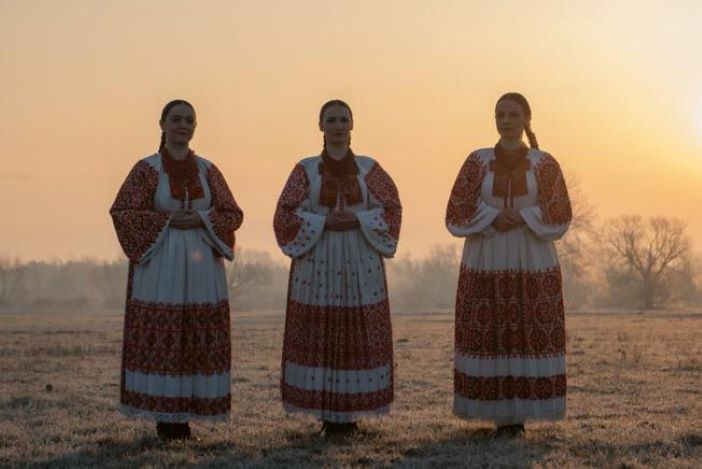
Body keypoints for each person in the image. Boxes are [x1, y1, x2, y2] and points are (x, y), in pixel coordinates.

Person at [110, 99, 243, 440]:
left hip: (202, 264)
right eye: (176, 119)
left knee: (196, 334)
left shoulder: (209, 170)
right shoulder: (147, 169)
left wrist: (201, 217)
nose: (183, 125)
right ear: (162, 124)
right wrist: (166, 220)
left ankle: (188, 414)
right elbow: (123, 211)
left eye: (189, 120)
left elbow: (232, 213)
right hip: (161, 262)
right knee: (165, 332)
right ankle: (165, 418)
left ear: (195, 126)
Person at [445, 92, 571, 437]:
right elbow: (456, 210)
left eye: (513, 113)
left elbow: (561, 212)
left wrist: (524, 215)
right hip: (487, 256)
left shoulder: (545, 163)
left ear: (526, 118)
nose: (505, 119)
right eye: (500, 113)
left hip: (532, 257)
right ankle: (497, 414)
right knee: (493, 329)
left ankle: (522, 414)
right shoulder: (476, 161)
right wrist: (491, 217)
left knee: (528, 328)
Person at [273, 99, 402, 436]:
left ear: (352, 124)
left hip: (360, 259)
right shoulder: (304, 168)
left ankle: (351, 415)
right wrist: (323, 222)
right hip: (317, 260)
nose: (338, 126)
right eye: (331, 120)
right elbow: (285, 214)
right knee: (321, 331)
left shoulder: (369, 167)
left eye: (343, 119)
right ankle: (327, 415)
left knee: (356, 329)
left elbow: (391, 207)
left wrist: (359, 219)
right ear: (321, 125)